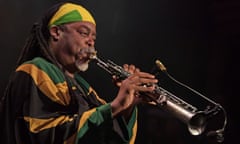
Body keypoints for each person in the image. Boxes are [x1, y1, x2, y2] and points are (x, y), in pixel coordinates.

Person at [1, 2, 158, 144]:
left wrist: (129, 105)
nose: (91, 41)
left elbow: (108, 137)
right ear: (56, 32)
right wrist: (116, 106)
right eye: (84, 33)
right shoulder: (35, 70)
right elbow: (44, 136)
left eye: (93, 37)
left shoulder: (85, 88)